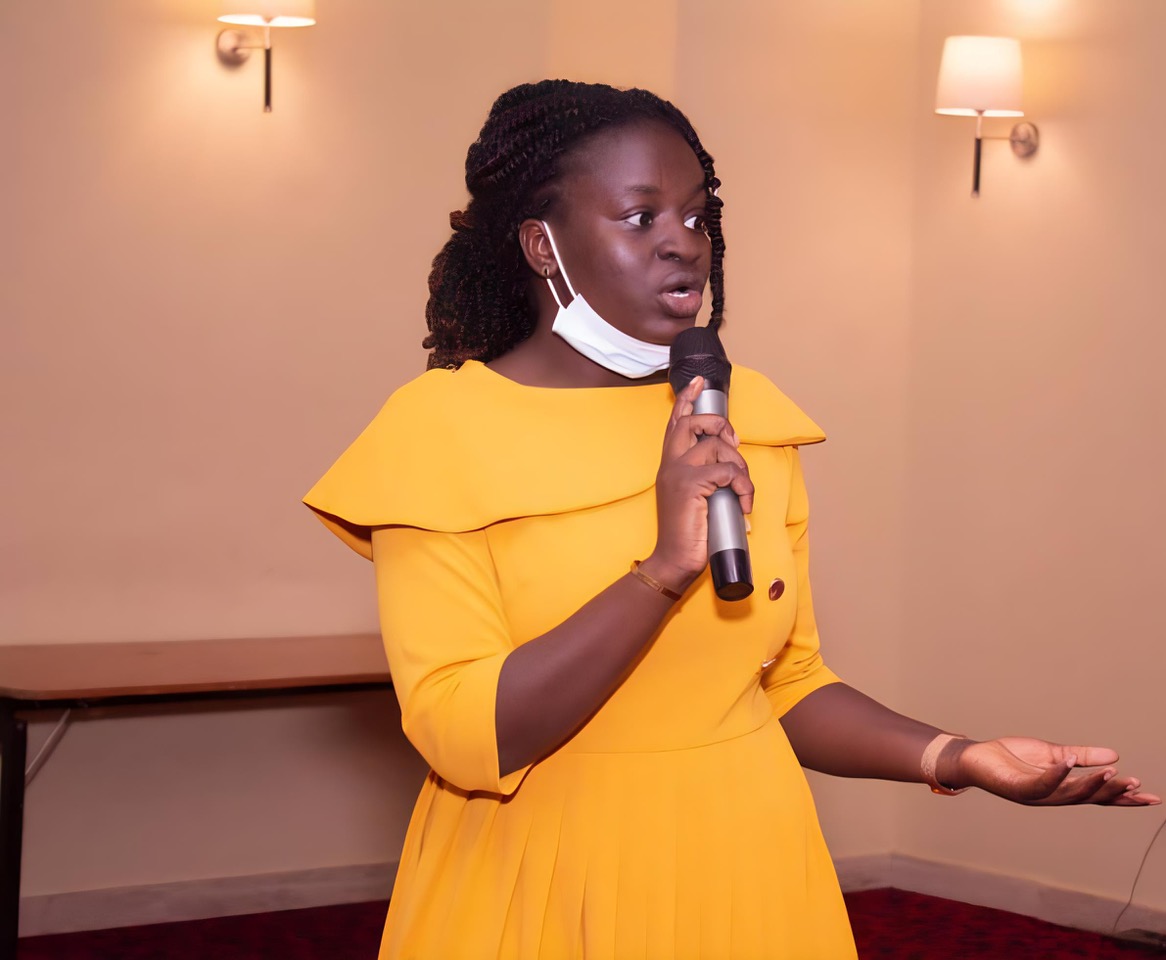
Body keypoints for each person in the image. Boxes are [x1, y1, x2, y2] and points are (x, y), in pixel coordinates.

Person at [304, 80, 1159, 960]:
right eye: (641, 219)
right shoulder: (436, 435)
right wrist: (660, 571)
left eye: (697, 215)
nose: (685, 242)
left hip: (749, 863)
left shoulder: (742, 413)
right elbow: (464, 733)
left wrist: (957, 756)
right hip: (545, 873)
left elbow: (785, 682)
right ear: (541, 245)